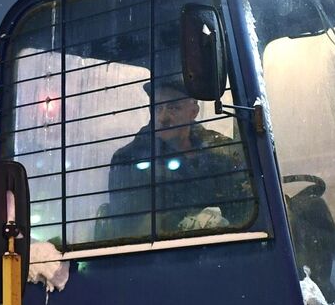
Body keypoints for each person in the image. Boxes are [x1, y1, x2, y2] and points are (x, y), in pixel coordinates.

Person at [100, 74, 254, 241]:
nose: (163, 118)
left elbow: (246, 209)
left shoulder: (223, 152)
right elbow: (129, 227)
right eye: (158, 108)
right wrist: (181, 223)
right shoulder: (128, 159)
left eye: (173, 108)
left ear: (193, 112)